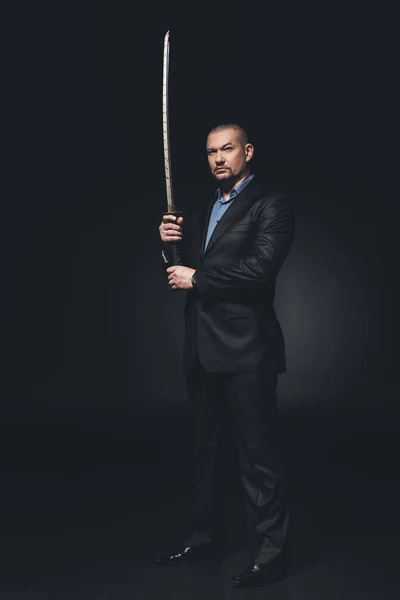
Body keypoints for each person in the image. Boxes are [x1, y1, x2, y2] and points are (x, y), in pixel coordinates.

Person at [154, 123, 295, 588]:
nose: (218, 158)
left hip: (248, 350)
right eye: (212, 151)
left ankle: (270, 555)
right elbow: (183, 267)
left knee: (259, 457)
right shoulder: (201, 209)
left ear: (248, 151)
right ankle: (205, 539)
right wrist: (167, 242)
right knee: (206, 454)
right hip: (202, 350)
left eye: (227, 149)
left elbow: (259, 269)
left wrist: (198, 279)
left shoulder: (270, 205)